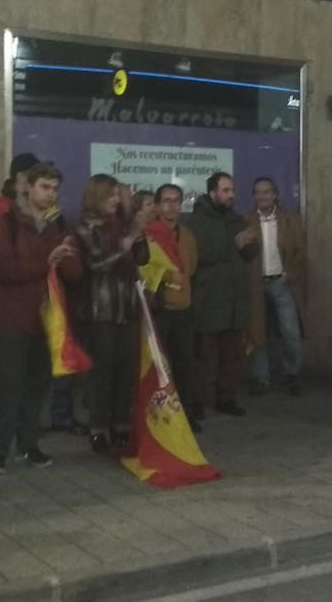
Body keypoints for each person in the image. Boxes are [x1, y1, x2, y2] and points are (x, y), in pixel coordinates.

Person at [0, 163, 74, 474]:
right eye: (45, 188)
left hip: (47, 319)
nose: (51, 195)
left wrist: (68, 259)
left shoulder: (59, 225)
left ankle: (29, 445)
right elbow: (5, 269)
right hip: (13, 318)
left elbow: (74, 273)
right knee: (9, 385)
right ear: (28, 188)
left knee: (38, 385)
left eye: (55, 189)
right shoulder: (5, 222)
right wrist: (46, 262)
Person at [65, 174, 149, 454]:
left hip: (126, 307)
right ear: (97, 197)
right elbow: (97, 263)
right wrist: (126, 242)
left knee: (125, 371)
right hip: (100, 310)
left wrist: (137, 233)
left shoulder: (122, 225)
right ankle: (99, 428)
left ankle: (121, 424)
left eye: (117, 195)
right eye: (110, 195)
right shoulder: (85, 226)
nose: (115, 200)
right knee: (102, 373)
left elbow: (142, 258)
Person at [190, 172, 258, 418]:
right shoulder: (197, 221)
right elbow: (203, 254)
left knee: (232, 356)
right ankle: (196, 400)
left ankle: (226, 397)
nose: (231, 195)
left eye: (232, 190)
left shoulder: (235, 219)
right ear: (212, 193)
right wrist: (235, 244)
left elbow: (250, 251)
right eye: (226, 190)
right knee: (204, 358)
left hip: (234, 300)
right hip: (209, 299)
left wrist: (249, 244)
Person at [140, 184, 201, 430]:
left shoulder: (187, 235)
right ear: (157, 205)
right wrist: (165, 278)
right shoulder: (149, 234)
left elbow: (192, 266)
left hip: (183, 307)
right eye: (166, 201)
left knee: (185, 362)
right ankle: (158, 417)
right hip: (159, 309)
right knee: (158, 366)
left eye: (176, 201)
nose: (171, 206)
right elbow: (143, 268)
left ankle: (185, 414)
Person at [245, 177, 307, 396]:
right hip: (255, 284)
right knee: (258, 332)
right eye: (258, 192)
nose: (262, 196)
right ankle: (261, 379)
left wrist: (289, 274)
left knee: (291, 332)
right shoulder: (246, 220)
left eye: (266, 192)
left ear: (275, 194)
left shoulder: (290, 219)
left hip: (281, 283)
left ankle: (292, 374)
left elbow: (300, 251)